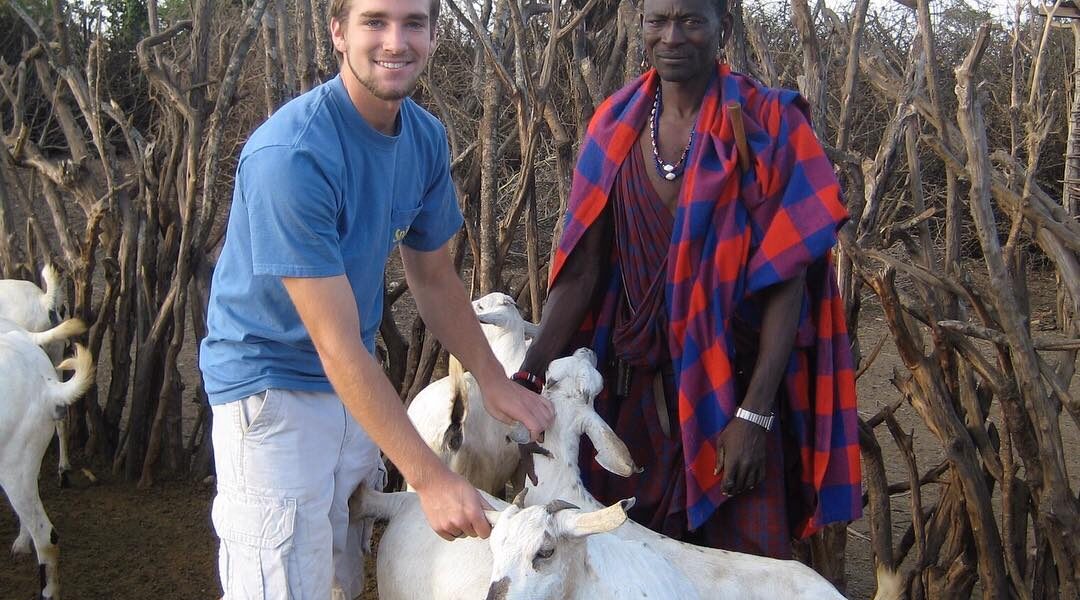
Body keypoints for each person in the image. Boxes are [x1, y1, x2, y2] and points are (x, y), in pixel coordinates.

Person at [198, 0, 555, 598]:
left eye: (414, 23)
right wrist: (430, 477)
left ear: (435, 35)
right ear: (337, 31)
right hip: (272, 394)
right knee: (282, 585)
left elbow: (435, 278)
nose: (396, 41)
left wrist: (493, 380)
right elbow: (333, 344)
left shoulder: (424, 138)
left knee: (340, 578)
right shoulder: (292, 156)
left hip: (352, 394)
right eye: (375, 21)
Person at [517, 0, 860, 559]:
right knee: (624, 567)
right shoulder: (616, 124)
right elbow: (582, 272)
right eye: (658, 20)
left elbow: (787, 283)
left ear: (723, 24)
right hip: (633, 396)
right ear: (641, 24)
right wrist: (526, 381)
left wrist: (754, 414)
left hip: (734, 395)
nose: (672, 36)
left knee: (742, 576)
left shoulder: (769, 124)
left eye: (692, 20)